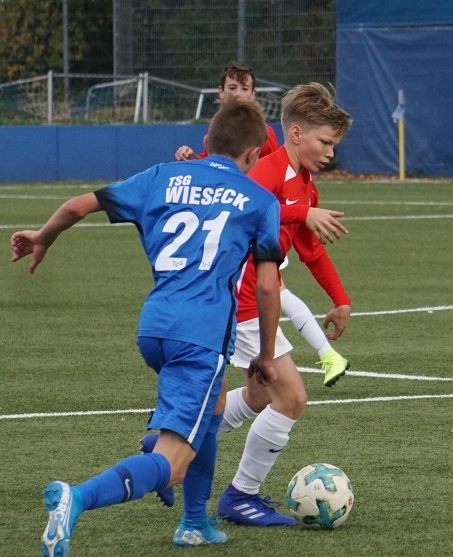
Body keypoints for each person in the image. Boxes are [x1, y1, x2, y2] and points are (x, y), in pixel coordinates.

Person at [19, 98, 285, 555]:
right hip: (200, 336)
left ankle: (195, 522)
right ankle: (77, 497)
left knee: (216, 404)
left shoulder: (161, 176)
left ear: (207, 141)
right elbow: (265, 286)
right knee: (173, 464)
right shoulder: (260, 200)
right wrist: (264, 354)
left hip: (155, 327)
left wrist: (42, 237)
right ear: (254, 154)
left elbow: (78, 206)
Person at [177, 62, 352, 385]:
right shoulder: (267, 170)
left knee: (257, 397)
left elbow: (311, 252)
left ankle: (183, 423)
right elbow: (245, 209)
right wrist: (302, 214)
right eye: (325, 142)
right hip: (239, 294)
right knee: (290, 398)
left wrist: (340, 300)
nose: (330, 153)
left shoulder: (307, 188)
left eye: (333, 146)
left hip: (255, 293)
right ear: (296, 134)